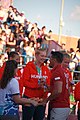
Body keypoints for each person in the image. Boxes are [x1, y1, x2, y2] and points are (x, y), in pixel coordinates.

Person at [20, 47, 50, 120]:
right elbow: (24, 82)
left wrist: (45, 84)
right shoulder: (29, 66)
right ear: (36, 56)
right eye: (42, 56)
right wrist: (37, 85)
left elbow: (49, 85)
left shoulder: (46, 69)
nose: (44, 58)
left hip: (41, 100)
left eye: (45, 56)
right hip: (29, 98)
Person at [40, 51, 70, 120]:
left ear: (54, 60)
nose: (49, 60)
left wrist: (46, 100)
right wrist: (46, 85)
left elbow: (58, 91)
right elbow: (65, 90)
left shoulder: (57, 72)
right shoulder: (63, 71)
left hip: (59, 106)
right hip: (63, 105)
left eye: (50, 58)